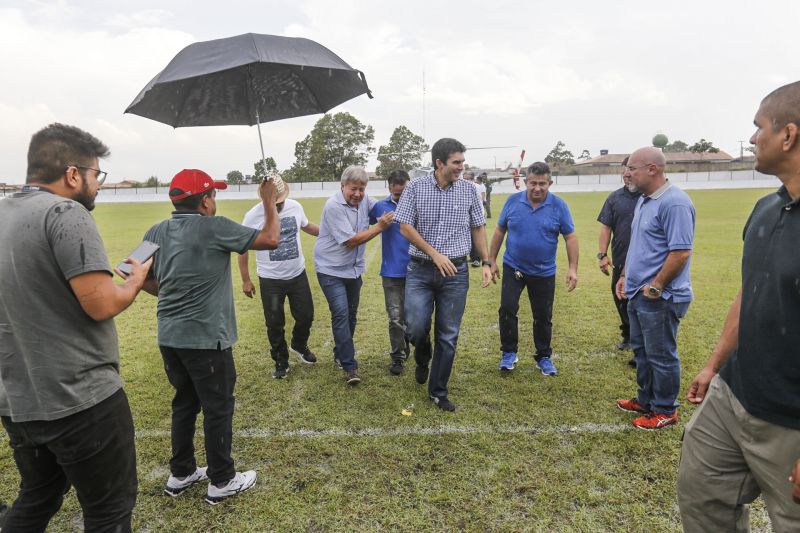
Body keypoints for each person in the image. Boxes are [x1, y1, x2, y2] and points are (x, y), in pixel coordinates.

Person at [0, 123, 151, 532]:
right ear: (72, 174)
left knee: (37, 496)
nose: (98, 185)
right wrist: (135, 281)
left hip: (19, 401)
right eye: (96, 175)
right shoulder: (66, 212)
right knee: (109, 510)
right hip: (81, 399)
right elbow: (101, 303)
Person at [678, 81, 800, 530]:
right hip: (734, 395)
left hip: (791, 421)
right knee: (702, 497)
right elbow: (750, 293)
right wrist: (715, 366)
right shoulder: (766, 209)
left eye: (758, 127)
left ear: (788, 135)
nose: (752, 139)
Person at [142, 169, 280, 505]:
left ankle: (182, 472)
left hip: (170, 337)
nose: (215, 200)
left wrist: (170, 293)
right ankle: (222, 480)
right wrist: (269, 202)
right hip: (206, 339)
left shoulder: (156, 230)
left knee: (185, 403)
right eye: (213, 195)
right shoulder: (216, 226)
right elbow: (271, 239)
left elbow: (130, 270)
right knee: (218, 408)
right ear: (205, 201)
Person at [395, 138, 495, 412]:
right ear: (439, 163)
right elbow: (404, 226)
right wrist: (434, 254)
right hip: (421, 270)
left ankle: (438, 390)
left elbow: (478, 227)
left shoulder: (470, 191)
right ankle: (422, 354)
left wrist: (486, 262)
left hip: (456, 272)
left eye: (463, 162)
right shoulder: (415, 187)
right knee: (415, 327)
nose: (462, 167)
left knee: (448, 335)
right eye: (456, 162)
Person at [614, 147, 695, 430]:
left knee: (660, 355)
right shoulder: (645, 200)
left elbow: (681, 252)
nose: (627, 173)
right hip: (639, 292)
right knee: (642, 352)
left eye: (632, 168)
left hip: (660, 297)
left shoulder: (675, 203)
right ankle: (646, 400)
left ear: (652, 169)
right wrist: (625, 275)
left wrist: (657, 286)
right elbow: (639, 245)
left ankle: (665, 410)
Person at [488, 162, 578, 376]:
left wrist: (573, 268)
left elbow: (570, 237)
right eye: (533, 183)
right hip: (513, 267)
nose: (537, 188)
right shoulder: (512, 202)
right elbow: (500, 230)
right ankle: (509, 353)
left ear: (550, 183)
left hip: (544, 271)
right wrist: (491, 260)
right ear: (525, 182)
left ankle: (543, 356)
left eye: (542, 184)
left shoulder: (559, 206)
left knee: (543, 315)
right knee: (507, 309)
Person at [314, 166, 394, 385]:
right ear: (342, 186)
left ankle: (340, 352)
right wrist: (379, 227)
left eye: (362, 189)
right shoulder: (333, 206)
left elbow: (382, 206)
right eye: (353, 189)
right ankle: (350, 366)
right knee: (340, 314)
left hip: (353, 270)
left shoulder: (365, 200)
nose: (358, 194)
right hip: (330, 269)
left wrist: (398, 198)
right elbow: (350, 241)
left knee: (351, 315)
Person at [237, 173, 319, 380]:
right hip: (270, 279)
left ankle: (299, 345)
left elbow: (307, 226)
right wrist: (246, 280)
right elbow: (243, 248)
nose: (279, 206)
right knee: (274, 322)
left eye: (280, 202)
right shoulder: (253, 216)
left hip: (297, 274)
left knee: (306, 315)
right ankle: (281, 360)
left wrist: (332, 232)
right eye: (275, 202)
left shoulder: (295, 207)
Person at [597, 156, 641, 363]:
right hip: (621, 260)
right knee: (620, 298)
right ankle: (628, 335)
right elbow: (606, 227)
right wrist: (602, 254)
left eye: (630, 170)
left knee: (640, 302)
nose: (626, 174)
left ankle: (640, 344)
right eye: (624, 171)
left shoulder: (649, 197)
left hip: (645, 262)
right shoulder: (614, 198)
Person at [369, 169, 412, 375]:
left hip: (418, 271)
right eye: (396, 194)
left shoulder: (419, 204)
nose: (400, 196)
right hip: (391, 272)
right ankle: (397, 357)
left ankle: (412, 344)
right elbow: (362, 223)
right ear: (389, 189)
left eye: (404, 192)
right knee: (395, 317)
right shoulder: (380, 207)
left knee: (415, 318)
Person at [462, 170, 482, 267]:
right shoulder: (463, 187)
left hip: (476, 215)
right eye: (464, 178)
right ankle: (472, 257)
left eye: (468, 179)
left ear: (473, 179)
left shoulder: (475, 187)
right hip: (466, 215)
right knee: (468, 237)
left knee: (475, 238)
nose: (465, 181)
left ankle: (477, 258)